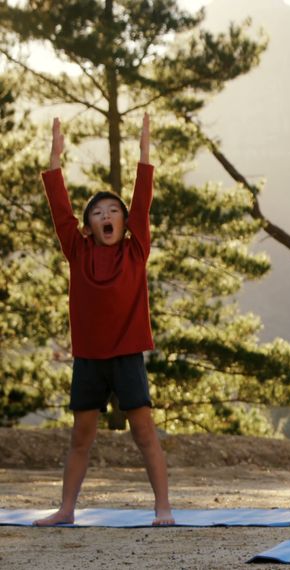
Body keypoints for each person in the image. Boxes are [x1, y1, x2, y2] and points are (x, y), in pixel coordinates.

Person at [33, 114, 173, 527]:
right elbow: (60, 211)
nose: (106, 215)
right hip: (89, 359)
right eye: (98, 212)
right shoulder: (77, 251)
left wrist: (145, 152)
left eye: (114, 210)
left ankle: (162, 507)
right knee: (81, 437)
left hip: (127, 356)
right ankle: (66, 509)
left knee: (144, 433)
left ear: (125, 223)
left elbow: (143, 199)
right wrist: (55, 158)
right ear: (90, 225)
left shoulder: (136, 250)